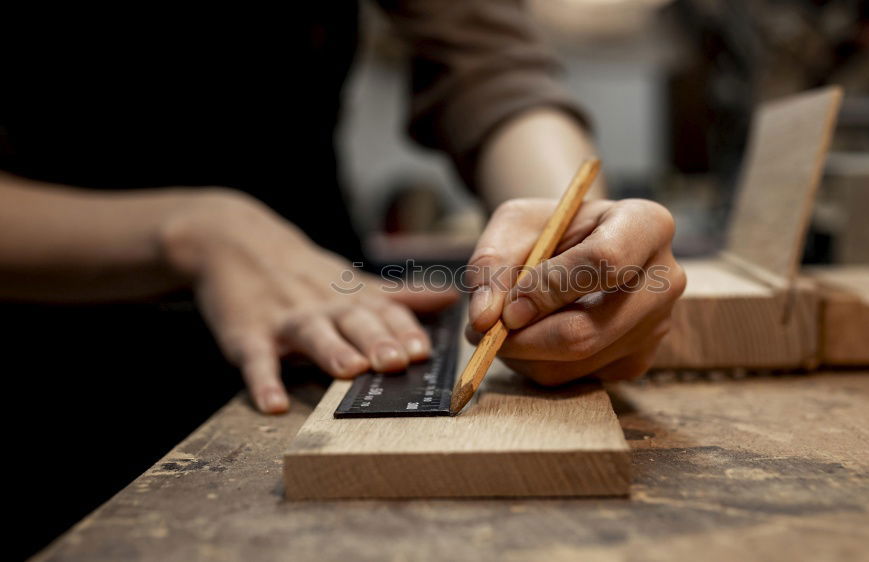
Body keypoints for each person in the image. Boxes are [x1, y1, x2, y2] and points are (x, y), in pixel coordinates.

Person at [0, 3, 685, 416]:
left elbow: (488, 64)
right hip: (49, 342)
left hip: (336, 317)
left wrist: (576, 241)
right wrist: (195, 232)